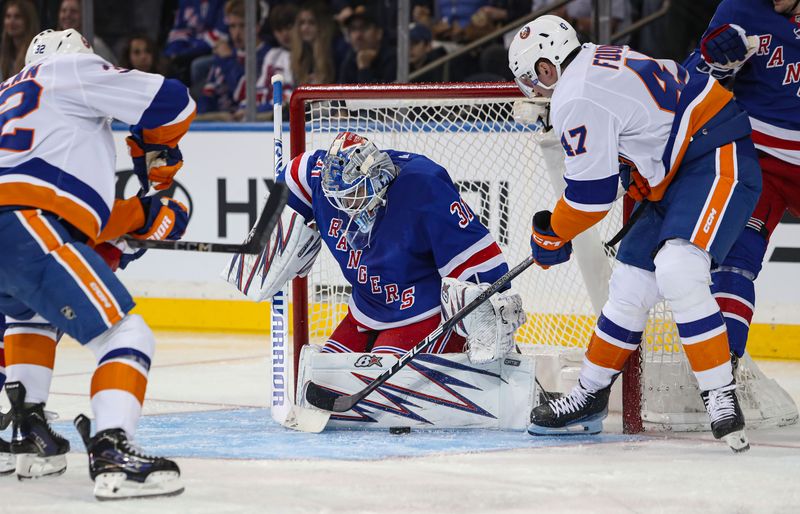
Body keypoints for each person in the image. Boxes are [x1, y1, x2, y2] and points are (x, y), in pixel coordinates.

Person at [508, 16, 761, 451]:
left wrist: (552, 234)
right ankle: (589, 393)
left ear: (548, 69)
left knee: (678, 269)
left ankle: (720, 393)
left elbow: (590, 197)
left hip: (714, 153)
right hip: (678, 166)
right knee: (629, 284)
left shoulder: (575, 95)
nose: (535, 90)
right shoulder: (595, 58)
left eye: (532, 80)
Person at [0, 28, 195, 498]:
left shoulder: (9, 94)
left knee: (30, 317)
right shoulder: (70, 70)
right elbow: (173, 100)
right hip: (23, 224)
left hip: (20, 229)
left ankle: (24, 439)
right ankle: (114, 451)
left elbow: (58, 195)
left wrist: (135, 221)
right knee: (126, 333)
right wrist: (157, 158)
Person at [253, 131, 525, 364]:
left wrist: (489, 321)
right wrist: (271, 235)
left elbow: (484, 267)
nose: (345, 206)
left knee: (381, 386)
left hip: (422, 310)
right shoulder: (314, 173)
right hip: (367, 308)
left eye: (352, 195)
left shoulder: (423, 186)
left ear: (377, 178)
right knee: (326, 376)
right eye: (339, 198)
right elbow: (292, 178)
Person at [682, 0, 800, 367]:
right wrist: (713, 62)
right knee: (735, 256)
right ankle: (722, 368)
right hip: (761, 159)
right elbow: (688, 84)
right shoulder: (739, 9)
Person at [197, 0, 268, 119]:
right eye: (232, 26)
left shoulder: (269, 56)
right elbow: (208, 95)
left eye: (242, 26)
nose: (236, 33)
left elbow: (247, 95)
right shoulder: (225, 55)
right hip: (220, 126)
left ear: (256, 27)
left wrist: (228, 60)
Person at [255, 4, 297, 109]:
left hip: (288, 112)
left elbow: (292, 96)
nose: (284, 34)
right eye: (279, 30)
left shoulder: (305, 56)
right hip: (268, 108)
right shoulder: (272, 54)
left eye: (288, 28)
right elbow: (261, 88)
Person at [339, 11, 397, 84]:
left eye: (364, 28)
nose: (358, 35)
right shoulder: (350, 60)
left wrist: (364, 69)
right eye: (353, 29)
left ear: (379, 33)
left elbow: (382, 94)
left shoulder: (392, 59)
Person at [291, 1, 336, 86]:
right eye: (302, 23)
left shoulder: (335, 49)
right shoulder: (301, 52)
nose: (305, 28)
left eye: (311, 23)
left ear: (322, 25)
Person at [56, 0, 116, 64]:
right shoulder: (53, 42)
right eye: (63, 10)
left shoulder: (94, 44)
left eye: (73, 11)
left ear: (84, 15)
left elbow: (107, 70)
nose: (67, 15)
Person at [0, 0, 39, 79]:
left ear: (28, 21)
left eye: (17, 17)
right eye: (8, 16)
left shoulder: (35, 52)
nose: (11, 21)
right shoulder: (3, 52)